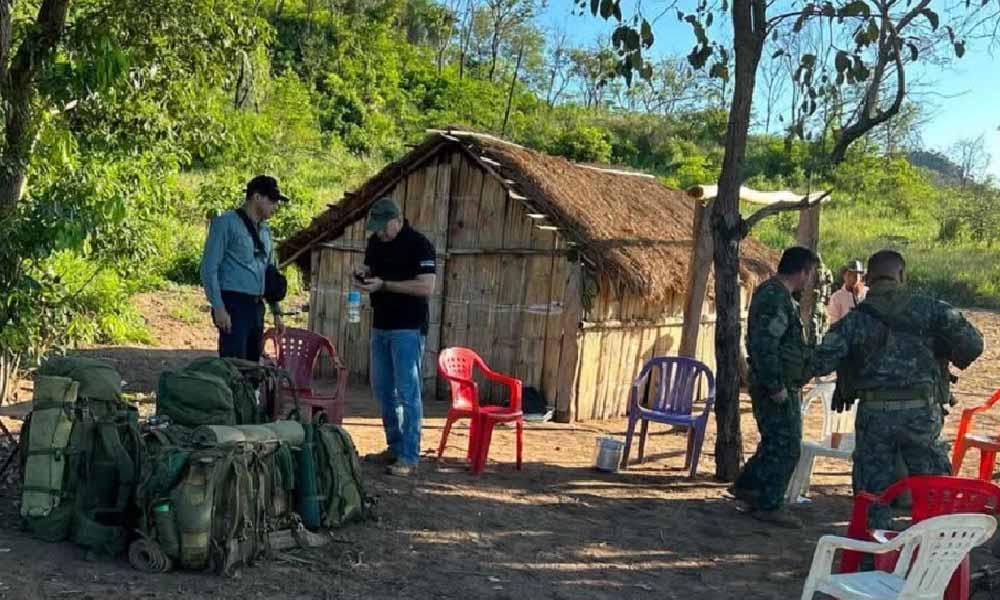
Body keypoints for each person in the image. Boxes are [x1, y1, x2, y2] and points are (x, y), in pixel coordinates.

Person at [811, 249, 983, 529]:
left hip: (874, 415)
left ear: (868, 278)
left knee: (872, 494)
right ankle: (933, 557)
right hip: (922, 416)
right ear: (901, 275)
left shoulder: (854, 320)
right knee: (933, 490)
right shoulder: (932, 310)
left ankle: (871, 557)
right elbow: (974, 345)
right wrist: (941, 349)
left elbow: (819, 362)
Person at [729, 246, 819, 529]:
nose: (810, 280)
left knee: (774, 440)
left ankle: (748, 486)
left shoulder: (779, 296)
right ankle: (770, 504)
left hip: (780, 381)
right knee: (788, 444)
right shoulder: (774, 297)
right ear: (803, 271)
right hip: (775, 384)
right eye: (810, 273)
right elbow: (764, 344)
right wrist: (775, 384)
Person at [355, 197, 436, 477]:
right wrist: (362, 278)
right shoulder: (376, 243)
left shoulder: (419, 244)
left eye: (382, 227)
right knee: (382, 390)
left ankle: (410, 455)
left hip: (408, 327)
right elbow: (369, 269)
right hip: (381, 324)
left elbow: (426, 287)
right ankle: (395, 445)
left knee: (408, 392)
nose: (378, 233)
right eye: (375, 228)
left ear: (396, 220)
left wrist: (385, 285)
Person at [201, 175, 287, 362]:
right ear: (257, 197)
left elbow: (270, 273)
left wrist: (277, 312)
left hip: (257, 306)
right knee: (234, 365)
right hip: (233, 303)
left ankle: (252, 392)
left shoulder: (266, 231)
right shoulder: (225, 223)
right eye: (271, 200)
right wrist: (219, 307)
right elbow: (209, 268)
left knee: (252, 365)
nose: (275, 206)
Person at [828, 259, 867, 325]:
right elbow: (834, 322)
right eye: (849, 274)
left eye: (856, 275)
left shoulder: (868, 293)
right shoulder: (837, 297)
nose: (852, 278)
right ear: (844, 276)